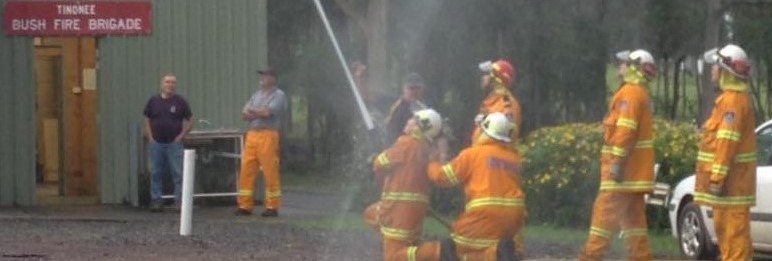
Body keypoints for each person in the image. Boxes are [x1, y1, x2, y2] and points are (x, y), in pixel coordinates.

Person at [409, 112, 524, 261]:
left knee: (458, 245)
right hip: (514, 216)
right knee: (487, 244)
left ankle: (496, 255)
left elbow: (443, 177)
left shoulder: (473, 154)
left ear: (484, 131)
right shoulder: (513, 158)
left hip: (484, 214)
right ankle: (499, 253)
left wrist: (433, 161)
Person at [578, 49, 656, 261]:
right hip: (633, 177)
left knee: (601, 224)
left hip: (621, 176)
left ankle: (589, 258)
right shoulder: (639, 93)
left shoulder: (630, 93)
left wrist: (616, 163)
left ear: (632, 67)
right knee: (635, 228)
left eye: (623, 63)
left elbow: (625, 131)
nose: (619, 66)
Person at [695, 44, 756, 260]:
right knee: (728, 241)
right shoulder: (727, 100)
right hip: (728, 190)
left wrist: (717, 177)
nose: (712, 70)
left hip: (732, 186)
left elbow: (726, 143)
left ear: (724, 69)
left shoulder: (733, 102)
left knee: (735, 241)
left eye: (714, 66)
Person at [363, 109, 443, 261]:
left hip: (398, 211)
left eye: (413, 119)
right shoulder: (424, 148)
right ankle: (398, 246)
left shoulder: (407, 143)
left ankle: (439, 252)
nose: (408, 121)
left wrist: (376, 157)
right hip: (413, 212)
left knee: (394, 257)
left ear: (420, 126)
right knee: (370, 214)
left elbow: (380, 163)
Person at [235, 68, 288, 217]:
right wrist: (257, 111)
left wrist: (254, 111)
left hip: (268, 134)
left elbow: (268, 112)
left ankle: (272, 206)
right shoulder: (256, 95)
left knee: (270, 170)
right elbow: (244, 113)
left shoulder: (279, 95)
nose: (262, 78)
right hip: (252, 134)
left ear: (273, 78)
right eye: (262, 76)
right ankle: (244, 205)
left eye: (265, 76)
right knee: (247, 169)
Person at [143, 73, 194, 212]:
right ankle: (156, 201)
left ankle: (179, 202)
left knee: (178, 174)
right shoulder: (153, 101)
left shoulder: (180, 102)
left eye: (173, 82)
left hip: (174, 144)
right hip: (156, 143)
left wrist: (181, 135)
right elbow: (147, 118)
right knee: (156, 173)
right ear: (162, 84)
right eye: (167, 82)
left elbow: (190, 120)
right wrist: (150, 136)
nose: (170, 85)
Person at [471, 59, 521, 151]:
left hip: (493, 160)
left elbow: (507, 136)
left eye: (487, 74)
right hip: (481, 157)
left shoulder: (508, 104)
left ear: (496, 79)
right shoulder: (490, 103)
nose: (483, 77)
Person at [385, 73, 429, 144]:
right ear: (404, 89)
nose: (414, 92)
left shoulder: (425, 107)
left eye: (417, 88)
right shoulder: (398, 108)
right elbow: (391, 136)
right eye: (411, 88)